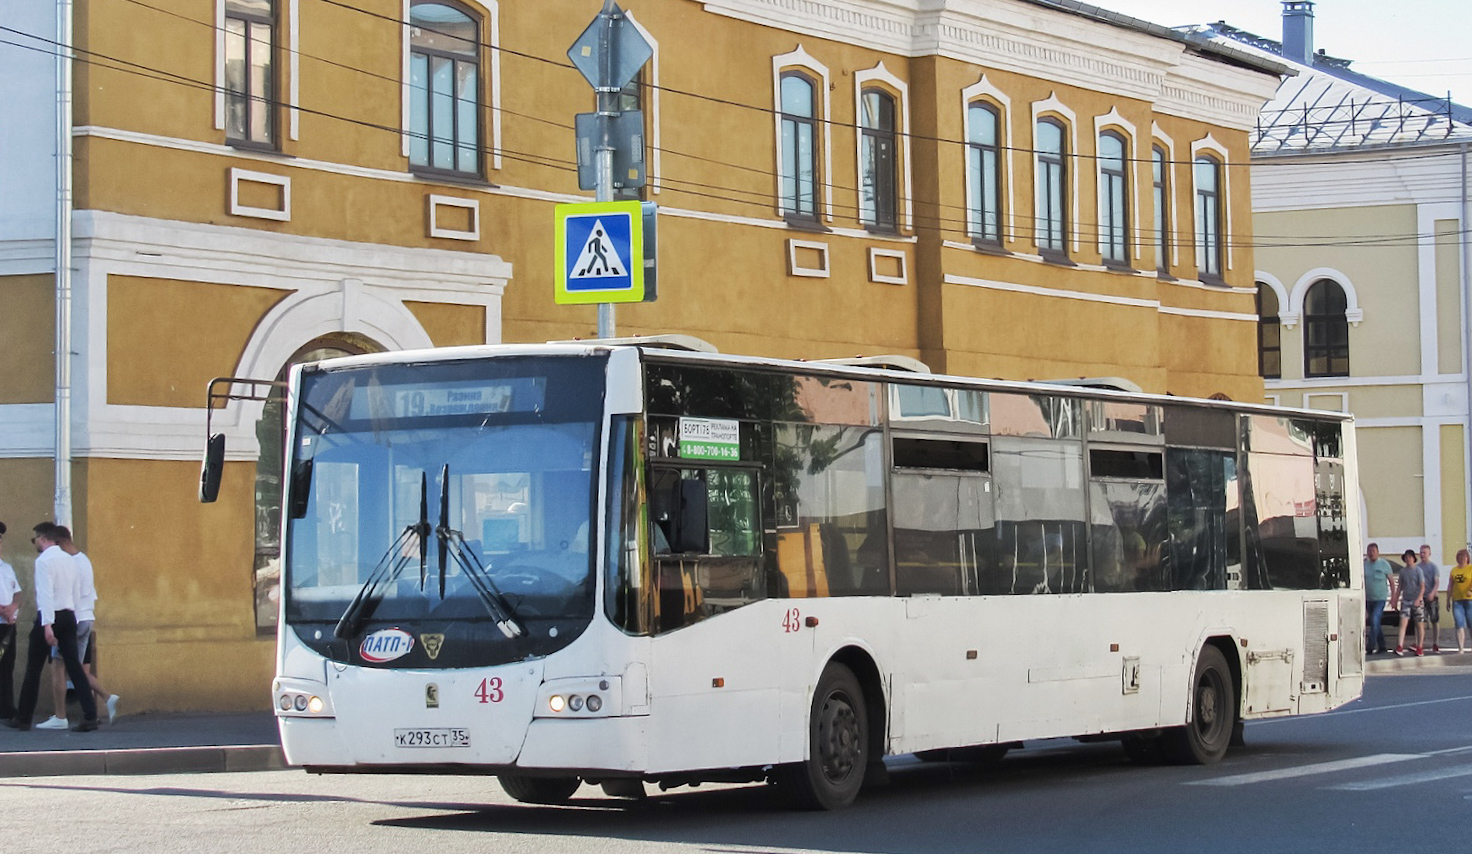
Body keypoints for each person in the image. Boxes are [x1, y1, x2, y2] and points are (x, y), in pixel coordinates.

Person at [2, 523, 99, 732]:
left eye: (35, 538)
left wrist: (47, 625)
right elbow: (75, 590)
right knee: (74, 666)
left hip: (50, 616)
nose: (35, 542)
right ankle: (90, 715)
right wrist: (71, 616)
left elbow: (45, 595)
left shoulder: (44, 561)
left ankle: (24, 718)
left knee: (33, 668)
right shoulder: (68, 559)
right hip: (69, 615)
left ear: (44, 538)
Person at [34, 525, 118, 729]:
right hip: (83, 617)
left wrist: (49, 624)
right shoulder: (83, 560)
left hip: (72, 617)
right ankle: (98, 706)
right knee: (79, 669)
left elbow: (53, 594)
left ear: (58, 541)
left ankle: (61, 716)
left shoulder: (61, 561)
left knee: (60, 668)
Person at [0, 522, 21, 720]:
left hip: (7, 626)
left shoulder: (6, 567)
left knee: (7, 667)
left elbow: (18, 593)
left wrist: (13, 608)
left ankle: (6, 708)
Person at [1394, 549, 1426, 657]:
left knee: (1419, 624)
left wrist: (1419, 598)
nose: (1408, 559)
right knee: (1403, 622)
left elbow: (1422, 586)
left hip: (1417, 599)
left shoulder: (1418, 571)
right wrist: (1395, 599)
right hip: (1406, 600)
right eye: (1406, 557)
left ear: (1413, 558)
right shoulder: (1403, 572)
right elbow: (1400, 586)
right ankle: (1400, 645)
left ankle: (1420, 646)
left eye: (1410, 557)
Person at [1363, 543, 1393, 655]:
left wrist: (1393, 597)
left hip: (1380, 598)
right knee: (1375, 623)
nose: (1371, 553)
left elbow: (1391, 581)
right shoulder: (1364, 564)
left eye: (1373, 551)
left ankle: (1370, 646)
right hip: (1368, 598)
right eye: (1369, 551)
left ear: (1377, 551)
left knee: (1374, 620)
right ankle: (1382, 646)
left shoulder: (1384, 564)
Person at [1419, 544, 1442, 653]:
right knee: (1420, 621)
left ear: (1429, 553)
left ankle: (1435, 643)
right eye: (1421, 552)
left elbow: (1437, 582)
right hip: (1421, 597)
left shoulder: (1433, 567)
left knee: (1434, 620)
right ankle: (1419, 643)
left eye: (1424, 552)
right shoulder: (1418, 567)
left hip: (1432, 597)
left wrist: (1432, 593)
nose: (1422, 555)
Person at [1448, 549, 1472, 654]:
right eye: (1460, 557)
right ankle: (1461, 648)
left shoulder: (1470, 569)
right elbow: (1450, 585)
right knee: (1459, 623)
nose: (1462, 559)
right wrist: (1448, 599)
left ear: (1467, 558)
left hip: (1469, 600)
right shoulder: (1454, 570)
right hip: (1457, 600)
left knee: (1471, 623)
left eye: (1464, 557)